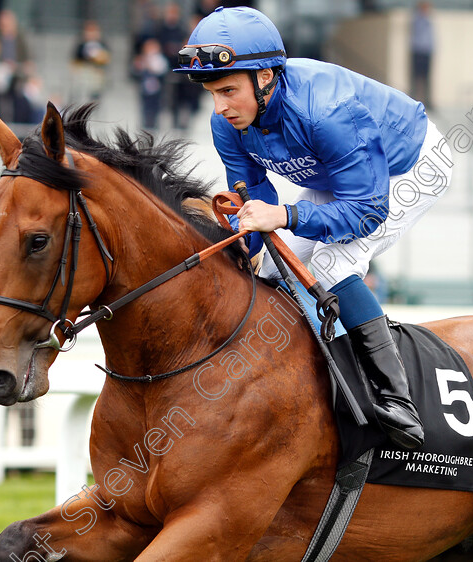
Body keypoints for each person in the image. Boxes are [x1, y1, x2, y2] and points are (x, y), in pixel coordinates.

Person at [175, 7, 454, 449]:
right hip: (339, 179)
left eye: (228, 90)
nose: (220, 107)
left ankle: (396, 399)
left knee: (331, 261)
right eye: (212, 93)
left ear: (265, 76)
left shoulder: (327, 111)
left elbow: (365, 211)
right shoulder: (225, 123)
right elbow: (253, 194)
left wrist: (285, 216)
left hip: (410, 166)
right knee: (268, 269)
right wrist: (251, 242)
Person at [70, 20, 110, 104]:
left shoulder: (102, 44)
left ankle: (94, 101)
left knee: (97, 82)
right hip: (83, 70)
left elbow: (106, 59)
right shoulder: (80, 45)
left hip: (96, 72)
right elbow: (75, 60)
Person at [409, 1, 434, 111]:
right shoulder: (417, 19)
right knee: (416, 77)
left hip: (426, 52)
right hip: (418, 51)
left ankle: (428, 100)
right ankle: (413, 100)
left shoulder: (429, 20)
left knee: (427, 78)